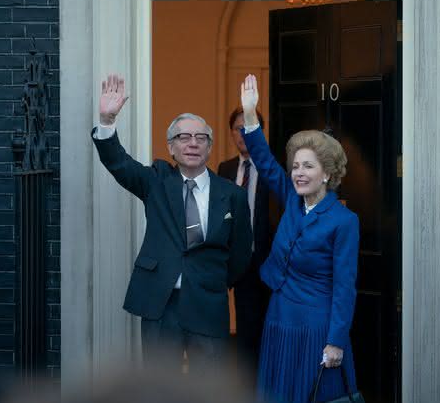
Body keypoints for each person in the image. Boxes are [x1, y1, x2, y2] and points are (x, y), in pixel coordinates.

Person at [91, 74, 253, 373]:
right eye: (183, 137)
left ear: (209, 147)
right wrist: (107, 121)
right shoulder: (156, 182)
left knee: (209, 387)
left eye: (200, 138)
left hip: (207, 301)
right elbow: (118, 163)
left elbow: (241, 254)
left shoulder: (231, 195)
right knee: (158, 385)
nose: (192, 143)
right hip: (160, 301)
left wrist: (210, 277)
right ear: (171, 148)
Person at [239, 74, 360, 403]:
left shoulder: (344, 221)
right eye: (295, 166)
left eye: (308, 166)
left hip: (315, 328)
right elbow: (264, 161)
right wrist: (250, 113)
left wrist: (336, 340)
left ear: (327, 174)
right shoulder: (292, 199)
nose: (299, 173)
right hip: (279, 319)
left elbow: (345, 287)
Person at [217, 107, 272, 375]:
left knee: (267, 328)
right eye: (237, 128)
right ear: (230, 133)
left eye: (248, 127)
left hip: (268, 261)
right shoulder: (225, 168)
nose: (242, 133)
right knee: (244, 328)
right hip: (238, 262)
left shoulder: (273, 169)